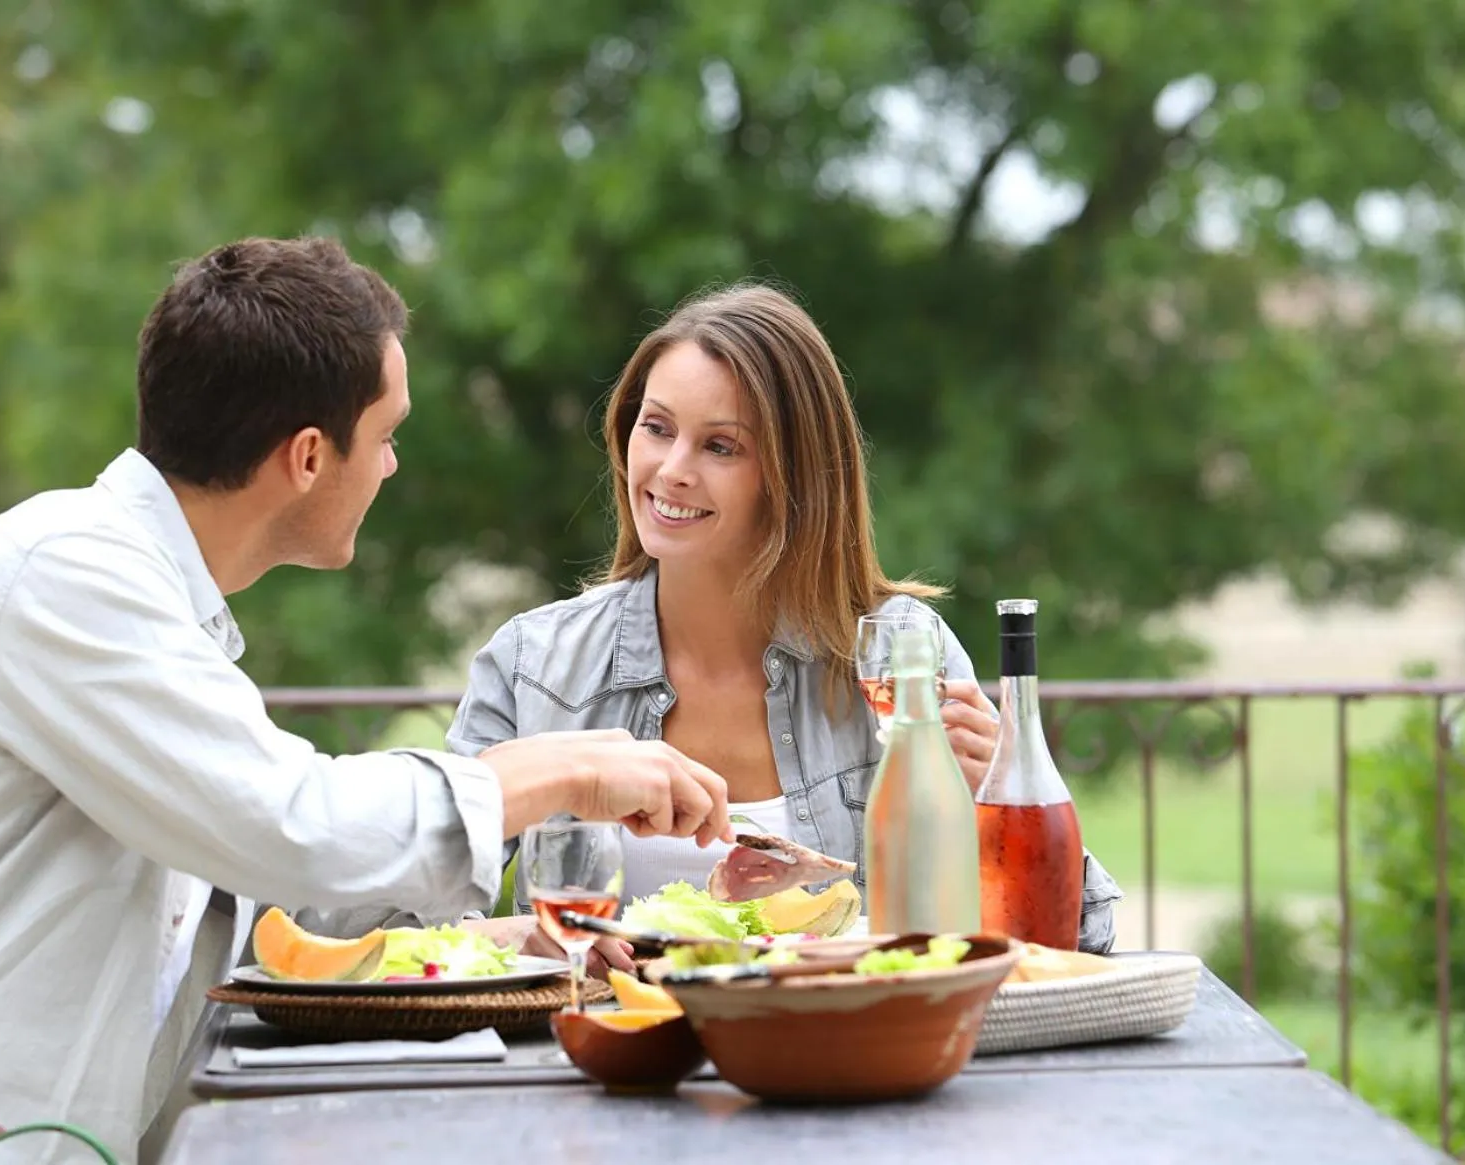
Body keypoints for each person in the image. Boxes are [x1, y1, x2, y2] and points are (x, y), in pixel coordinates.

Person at [0, 237, 731, 1164]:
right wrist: (567, 764)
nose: (389, 468)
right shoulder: (64, 575)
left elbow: (257, 903)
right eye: (385, 437)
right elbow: (293, 824)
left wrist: (497, 946)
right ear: (308, 456)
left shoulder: (151, 602)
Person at [446, 282, 1123, 966]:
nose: (671, 470)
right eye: (656, 428)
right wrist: (535, 942)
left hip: (848, 1059)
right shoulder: (533, 662)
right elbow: (397, 925)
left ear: (793, 475)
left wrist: (1006, 805)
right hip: (615, 1060)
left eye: (720, 446)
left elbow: (1082, 939)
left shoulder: (901, 657)